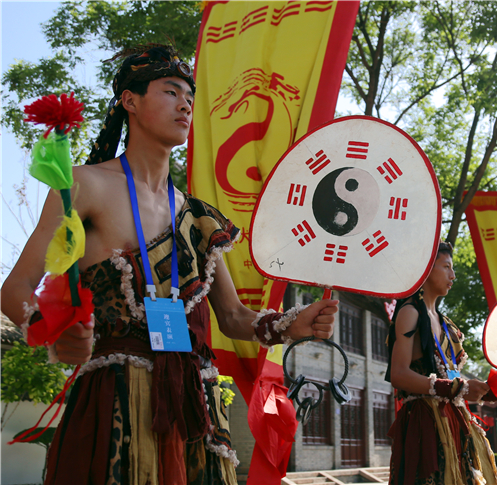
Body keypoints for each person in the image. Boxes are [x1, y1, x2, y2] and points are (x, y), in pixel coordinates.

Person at [0, 44, 338, 485]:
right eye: (170, 91)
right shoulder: (87, 186)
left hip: (193, 409)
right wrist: (54, 332)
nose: (185, 104)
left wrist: (293, 324)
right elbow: (14, 290)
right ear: (130, 101)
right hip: (115, 404)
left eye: (190, 98)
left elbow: (233, 317)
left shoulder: (197, 216)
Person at [385, 241, 497, 485]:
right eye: (446, 267)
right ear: (426, 269)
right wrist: (457, 388)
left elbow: (457, 384)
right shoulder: (409, 312)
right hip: (426, 426)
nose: (453, 275)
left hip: (456, 423)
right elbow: (399, 375)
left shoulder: (446, 324)